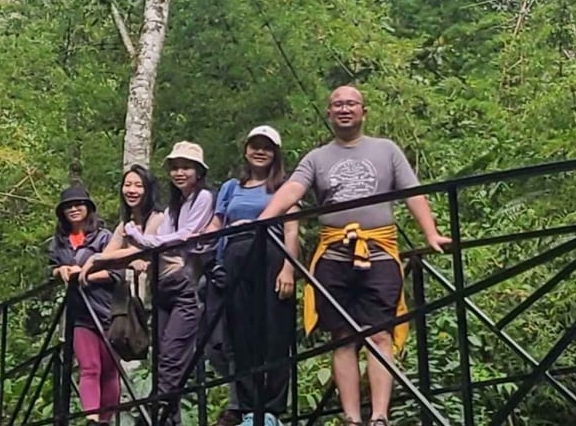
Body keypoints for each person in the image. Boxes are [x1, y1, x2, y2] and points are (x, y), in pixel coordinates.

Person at [258, 87, 450, 426]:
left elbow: (413, 192)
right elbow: (293, 189)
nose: (344, 109)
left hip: (379, 251)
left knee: (379, 334)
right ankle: (351, 418)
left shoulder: (386, 150)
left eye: (351, 104)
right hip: (333, 255)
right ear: (329, 113)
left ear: (364, 111)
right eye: (337, 105)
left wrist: (430, 232)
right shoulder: (317, 157)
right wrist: (265, 219)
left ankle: (378, 416)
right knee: (342, 337)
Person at [85, 143, 215, 426]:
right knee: (163, 360)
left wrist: (138, 242)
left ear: (199, 171)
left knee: (172, 358)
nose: (180, 172)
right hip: (162, 290)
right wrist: (91, 264)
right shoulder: (174, 206)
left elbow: (181, 239)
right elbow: (122, 253)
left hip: (182, 285)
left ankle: (151, 417)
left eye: (187, 167)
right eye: (175, 167)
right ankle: (168, 420)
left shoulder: (201, 198)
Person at [205, 125, 299, 426]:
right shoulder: (232, 187)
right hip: (234, 257)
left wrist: (289, 267)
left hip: (270, 255)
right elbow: (216, 225)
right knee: (240, 335)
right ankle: (248, 409)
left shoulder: (284, 186)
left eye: (267, 147)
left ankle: (271, 410)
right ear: (246, 150)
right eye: (255, 145)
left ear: (276, 153)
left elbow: (292, 227)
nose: (260, 151)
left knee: (274, 332)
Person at [49, 182, 122, 423]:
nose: (74, 209)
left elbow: (116, 272)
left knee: (110, 370)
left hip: (107, 309)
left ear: (88, 208)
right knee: (89, 367)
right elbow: (51, 268)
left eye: (78, 204)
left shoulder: (104, 237)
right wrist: (60, 271)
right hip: (79, 312)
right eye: (68, 206)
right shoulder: (59, 241)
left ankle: (106, 420)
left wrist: (83, 274)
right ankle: (91, 418)